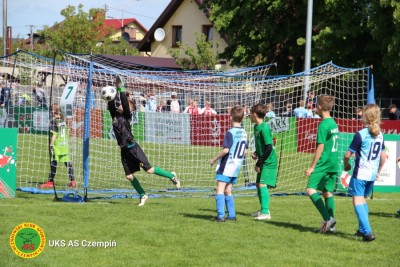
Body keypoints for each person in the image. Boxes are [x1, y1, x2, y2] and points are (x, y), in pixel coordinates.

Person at [109, 76, 180, 206]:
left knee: (150, 170)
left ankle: (171, 176)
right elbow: (110, 103)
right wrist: (112, 92)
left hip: (133, 148)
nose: (120, 105)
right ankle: (143, 195)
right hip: (124, 150)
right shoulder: (115, 116)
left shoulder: (127, 116)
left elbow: (124, 101)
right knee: (129, 176)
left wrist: (121, 88)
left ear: (128, 110)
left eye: (123, 106)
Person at [343, 104, 387, 242]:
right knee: (362, 200)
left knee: (357, 200)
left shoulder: (361, 134)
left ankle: (368, 232)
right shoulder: (380, 135)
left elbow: (347, 154)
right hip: (372, 175)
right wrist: (378, 171)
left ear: (365, 116)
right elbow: (384, 156)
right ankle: (362, 230)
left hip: (360, 173)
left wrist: (346, 164)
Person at [305, 95, 338, 233]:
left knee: (310, 189)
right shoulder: (333, 123)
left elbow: (320, 147)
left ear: (319, 107)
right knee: (327, 192)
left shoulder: (323, 125)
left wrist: (312, 167)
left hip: (324, 162)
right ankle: (332, 226)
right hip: (334, 162)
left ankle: (327, 219)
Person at [210, 106, 248, 222]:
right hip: (236, 166)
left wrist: (214, 159)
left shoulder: (230, 133)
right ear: (242, 119)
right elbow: (245, 151)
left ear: (230, 117)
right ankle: (232, 215)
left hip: (227, 165)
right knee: (228, 190)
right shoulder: (244, 132)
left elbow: (226, 150)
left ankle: (220, 216)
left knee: (220, 189)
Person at [250, 104, 277, 220]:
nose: (249, 116)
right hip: (263, 159)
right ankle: (263, 210)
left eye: (250, 114)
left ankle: (266, 213)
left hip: (269, 161)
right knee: (258, 184)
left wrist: (258, 162)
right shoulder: (256, 127)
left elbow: (269, 147)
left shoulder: (264, 128)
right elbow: (262, 145)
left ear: (255, 115)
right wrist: (256, 152)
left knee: (262, 184)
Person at [38, 104, 76, 189]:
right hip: (65, 144)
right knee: (67, 163)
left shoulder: (53, 121)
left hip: (57, 146)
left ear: (53, 111)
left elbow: (55, 134)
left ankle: (50, 181)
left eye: (51, 110)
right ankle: (72, 181)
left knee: (54, 162)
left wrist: (51, 144)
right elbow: (67, 132)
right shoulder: (63, 120)